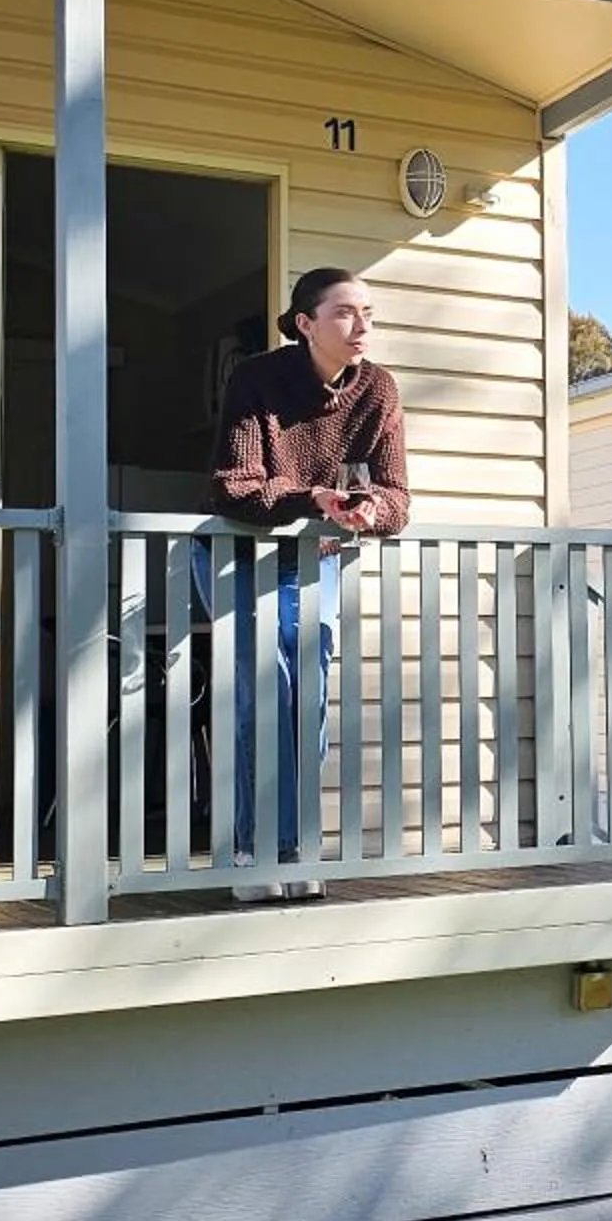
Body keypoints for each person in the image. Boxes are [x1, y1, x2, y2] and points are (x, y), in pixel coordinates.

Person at [202, 267, 409, 899]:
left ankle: (292, 848)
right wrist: (312, 498)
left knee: (307, 702)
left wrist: (368, 509)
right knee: (265, 695)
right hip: (237, 556)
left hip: (312, 562)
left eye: (368, 312)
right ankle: (254, 852)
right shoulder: (257, 379)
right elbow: (234, 486)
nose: (361, 325)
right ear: (305, 324)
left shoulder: (378, 388)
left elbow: (397, 498)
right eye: (345, 312)